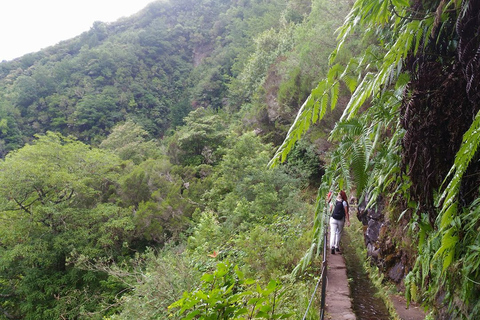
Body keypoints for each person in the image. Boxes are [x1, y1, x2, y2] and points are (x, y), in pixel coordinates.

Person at [329, 190, 350, 254]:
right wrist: (348, 221)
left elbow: (330, 210)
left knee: (333, 233)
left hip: (333, 219)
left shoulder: (334, 200)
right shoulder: (344, 202)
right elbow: (346, 212)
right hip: (341, 220)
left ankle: (332, 246)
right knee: (339, 233)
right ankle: (336, 246)